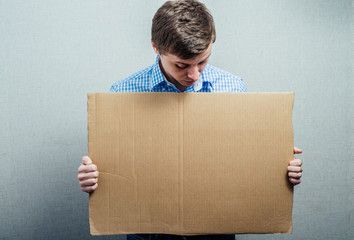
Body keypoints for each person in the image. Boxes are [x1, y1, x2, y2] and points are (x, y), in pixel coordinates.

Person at [77, 1, 303, 239]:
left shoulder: (234, 88)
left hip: (215, 230)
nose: (194, 75)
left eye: (202, 62)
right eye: (182, 65)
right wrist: (93, 177)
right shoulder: (122, 94)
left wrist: (279, 167)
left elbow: (243, 162)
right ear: (156, 47)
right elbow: (116, 171)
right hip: (149, 232)